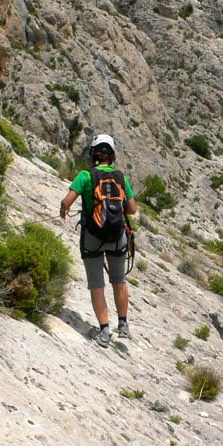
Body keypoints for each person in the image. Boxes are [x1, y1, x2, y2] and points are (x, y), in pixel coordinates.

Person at [59, 134, 137, 347]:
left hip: (92, 236)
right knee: (119, 280)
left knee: (97, 285)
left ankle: (104, 331)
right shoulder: (121, 178)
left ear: (93, 153)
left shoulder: (85, 176)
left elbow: (67, 201)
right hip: (117, 236)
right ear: (112, 156)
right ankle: (123, 325)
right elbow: (132, 209)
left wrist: (63, 210)